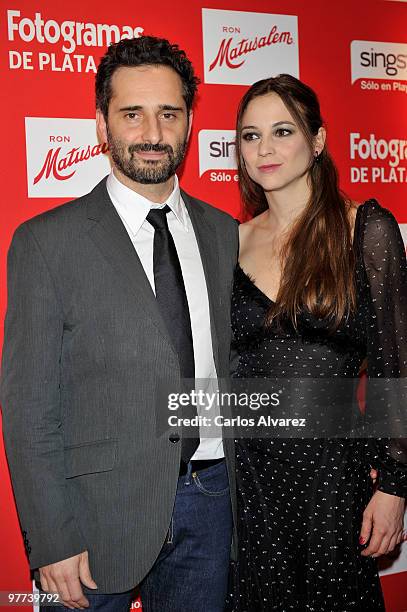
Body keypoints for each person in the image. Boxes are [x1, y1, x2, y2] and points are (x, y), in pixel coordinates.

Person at [0, 36, 239, 612]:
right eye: (132, 114)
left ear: (188, 122)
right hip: (93, 514)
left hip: (211, 504)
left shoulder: (226, 233)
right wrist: (51, 538)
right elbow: (28, 405)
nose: (152, 133)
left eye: (168, 113)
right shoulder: (46, 242)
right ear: (102, 124)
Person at [225, 74, 407, 611]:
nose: (265, 149)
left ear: (318, 140)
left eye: (282, 131)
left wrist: (395, 485)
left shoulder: (365, 228)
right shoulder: (228, 241)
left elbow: (398, 366)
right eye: (251, 135)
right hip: (249, 479)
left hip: (331, 476)